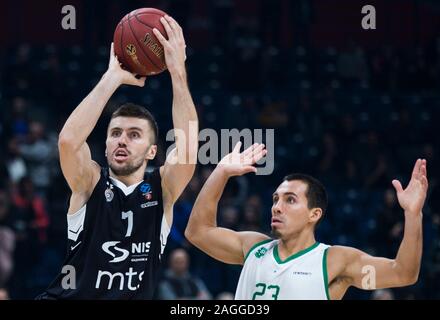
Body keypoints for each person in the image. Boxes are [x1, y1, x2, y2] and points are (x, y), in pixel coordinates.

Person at [38, 15, 198, 299]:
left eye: (134, 134)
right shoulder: (89, 183)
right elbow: (68, 142)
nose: (122, 140)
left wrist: (177, 71)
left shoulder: (163, 189)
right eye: (115, 133)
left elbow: (187, 150)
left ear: (153, 151)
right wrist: (111, 78)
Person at [185, 142, 428, 300]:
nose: (277, 207)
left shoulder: (334, 261)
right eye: (275, 199)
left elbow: (403, 273)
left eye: (290, 200)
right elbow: (198, 232)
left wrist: (413, 215)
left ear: (315, 214)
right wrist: (221, 173)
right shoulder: (253, 248)